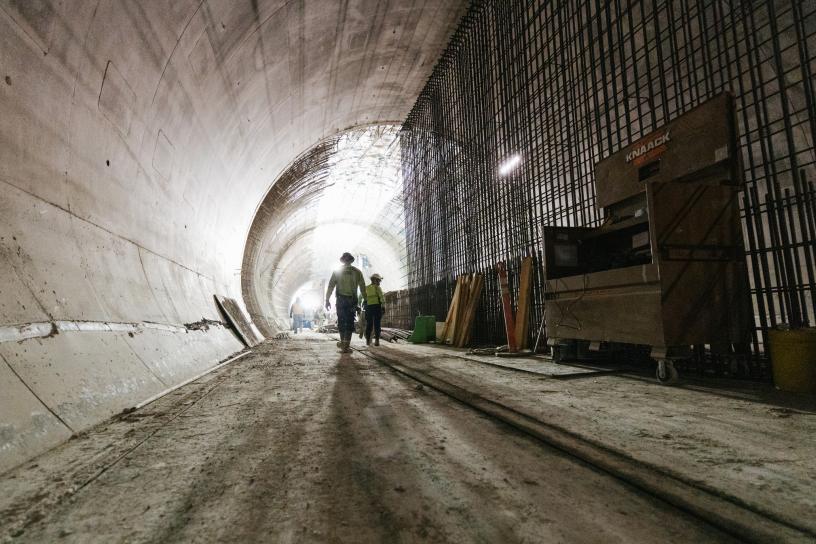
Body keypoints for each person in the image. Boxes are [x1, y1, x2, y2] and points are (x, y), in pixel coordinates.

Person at [325, 252, 366, 353]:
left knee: (342, 322)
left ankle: (343, 343)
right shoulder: (357, 272)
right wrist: (366, 299)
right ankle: (346, 345)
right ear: (351, 260)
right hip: (352, 301)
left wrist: (327, 300)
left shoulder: (337, 271)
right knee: (349, 322)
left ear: (343, 260)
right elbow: (363, 287)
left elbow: (331, 286)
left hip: (341, 300)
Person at [361, 273, 385, 346]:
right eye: (378, 280)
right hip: (376, 307)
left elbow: (361, 297)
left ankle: (368, 341)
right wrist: (383, 306)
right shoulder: (377, 288)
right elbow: (381, 297)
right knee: (377, 324)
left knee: (369, 324)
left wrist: (361, 304)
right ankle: (377, 341)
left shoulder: (366, 288)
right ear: (374, 280)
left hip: (368, 308)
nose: (379, 282)